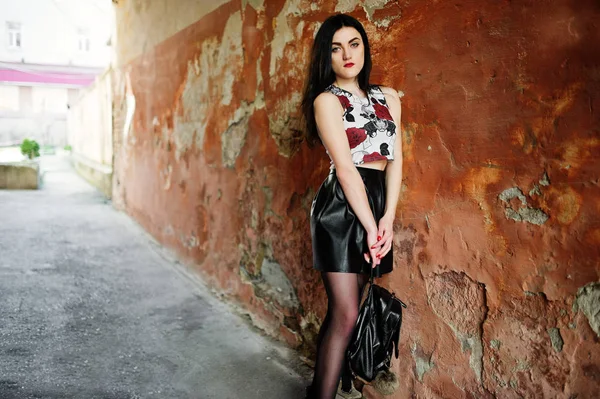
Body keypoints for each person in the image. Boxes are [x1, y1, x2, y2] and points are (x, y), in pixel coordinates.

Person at [300, 13, 403, 399]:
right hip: (341, 210)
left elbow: (396, 161)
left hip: (376, 204)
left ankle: (325, 387)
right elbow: (345, 169)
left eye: (354, 43)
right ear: (326, 56)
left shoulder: (389, 97)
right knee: (345, 313)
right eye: (336, 47)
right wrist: (372, 225)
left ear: (364, 47)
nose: (347, 54)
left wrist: (388, 218)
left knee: (349, 309)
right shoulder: (327, 100)